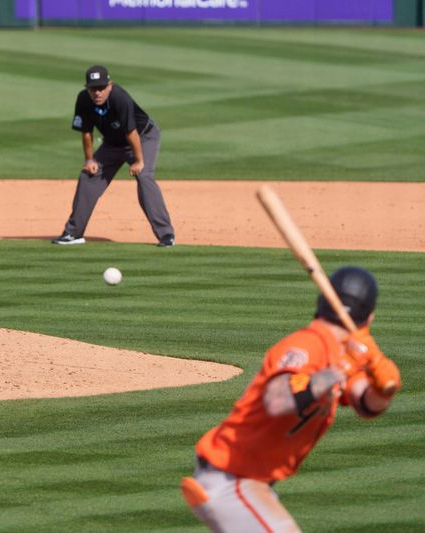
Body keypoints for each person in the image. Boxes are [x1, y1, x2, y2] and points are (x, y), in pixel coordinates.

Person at [180, 266, 402, 532]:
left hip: (248, 483)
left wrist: (383, 386)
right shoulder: (308, 345)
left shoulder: (341, 354)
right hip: (230, 478)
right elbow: (277, 399)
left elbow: (367, 404)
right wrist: (340, 370)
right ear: (370, 317)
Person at [52, 65, 175, 247]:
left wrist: (139, 161)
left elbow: (131, 132)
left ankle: (166, 235)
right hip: (112, 143)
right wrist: (89, 160)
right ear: (87, 88)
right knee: (88, 177)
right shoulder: (83, 100)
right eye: (93, 88)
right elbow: (86, 132)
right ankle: (73, 233)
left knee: (144, 176)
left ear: (110, 85)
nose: (97, 93)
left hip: (143, 137)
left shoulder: (120, 98)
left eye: (101, 88)